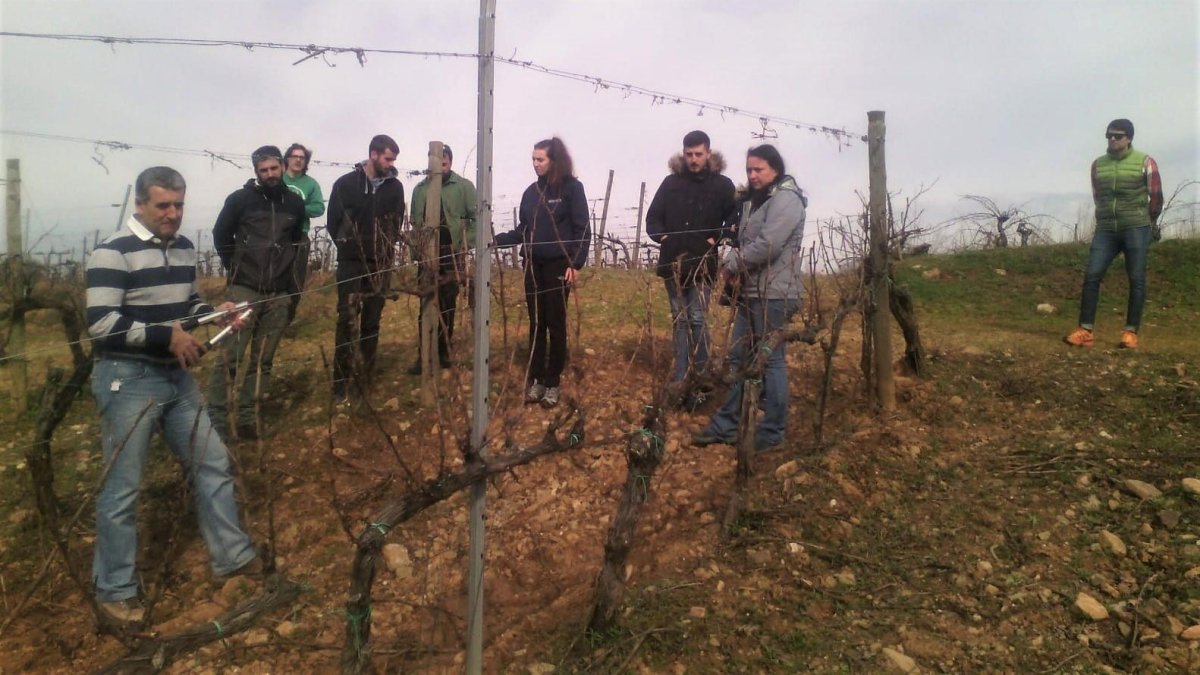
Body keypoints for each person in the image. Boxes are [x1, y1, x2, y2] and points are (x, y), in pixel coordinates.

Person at [86, 166, 260, 624]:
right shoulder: (112, 253)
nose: (173, 214)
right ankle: (114, 591)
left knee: (213, 461)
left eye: (179, 205)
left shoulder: (183, 248)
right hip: (128, 379)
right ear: (140, 204)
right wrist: (168, 337)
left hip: (175, 378)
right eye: (163, 205)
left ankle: (233, 558)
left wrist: (215, 313)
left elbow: (188, 306)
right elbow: (101, 323)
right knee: (123, 489)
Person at [693, 144, 806, 452]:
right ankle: (726, 425)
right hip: (751, 291)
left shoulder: (786, 200)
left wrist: (731, 263)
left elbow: (769, 244)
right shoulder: (754, 201)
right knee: (739, 358)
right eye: (749, 170)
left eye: (759, 169)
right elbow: (745, 239)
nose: (753, 175)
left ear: (775, 169)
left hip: (775, 294)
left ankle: (771, 431)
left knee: (770, 362)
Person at [209, 145, 307, 440]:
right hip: (244, 290)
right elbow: (220, 236)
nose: (269, 174)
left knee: (263, 360)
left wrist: (291, 291)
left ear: (282, 166)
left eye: (274, 169)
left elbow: (296, 245)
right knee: (231, 356)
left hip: (278, 292)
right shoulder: (240, 200)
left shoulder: (294, 203)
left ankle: (248, 417)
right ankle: (216, 421)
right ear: (256, 172)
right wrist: (236, 268)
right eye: (263, 170)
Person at [494, 137, 590, 408]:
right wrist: (496, 239)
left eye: (540, 159)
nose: (535, 164)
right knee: (537, 323)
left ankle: (553, 381)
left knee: (556, 323)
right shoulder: (531, 193)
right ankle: (536, 379)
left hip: (559, 265)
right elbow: (524, 229)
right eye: (533, 159)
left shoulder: (572, 189)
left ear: (554, 160)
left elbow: (583, 229)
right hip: (532, 266)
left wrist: (576, 263)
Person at [646, 130, 736, 407]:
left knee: (697, 317)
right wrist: (664, 238)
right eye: (689, 154)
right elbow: (653, 218)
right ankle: (680, 374)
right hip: (673, 261)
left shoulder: (722, 185)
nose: (693, 159)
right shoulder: (671, 183)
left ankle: (702, 375)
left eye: (698, 154)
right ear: (683, 154)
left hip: (703, 262)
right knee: (679, 318)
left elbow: (734, 218)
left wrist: (716, 238)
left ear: (708, 153)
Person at [1064, 118, 1163, 350]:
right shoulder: (1098, 165)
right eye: (1109, 135)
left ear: (1129, 138)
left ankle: (1130, 334)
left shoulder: (1145, 162)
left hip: (1136, 227)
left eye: (1117, 136)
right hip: (1106, 229)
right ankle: (1085, 331)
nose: (1112, 139)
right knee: (1092, 275)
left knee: (1136, 279)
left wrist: (1148, 221)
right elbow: (1098, 196)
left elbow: (1156, 196)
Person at [327, 134, 405, 400]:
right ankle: (341, 382)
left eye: (394, 159)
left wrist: (384, 251)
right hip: (350, 264)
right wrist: (348, 248)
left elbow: (396, 224)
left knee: (371, 322)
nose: (391, 163)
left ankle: (364, 379)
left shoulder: (395, 188)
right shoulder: (345, 184)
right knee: (347, 321)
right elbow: (333, 222)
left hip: (380, 265)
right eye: (388, 158)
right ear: (373, 155)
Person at [408, 143, 478, 373]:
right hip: (427, 255)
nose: (441, 164)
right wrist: (417, 251)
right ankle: (424, 355)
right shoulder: (419, 189)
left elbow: (478, 219)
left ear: (451, 162)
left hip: (451, 252)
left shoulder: (464, 187)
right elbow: (415, 224)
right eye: (437, 160)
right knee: (426, 302)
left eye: (445, 160)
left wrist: (462, 244)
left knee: (447, 303)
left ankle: (444, 353)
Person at [282, 142, 326, 325]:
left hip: (300, 235)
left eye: (302, 157)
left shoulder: (310, 184)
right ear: (287, 159)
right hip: (275, 235)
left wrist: (298, 209)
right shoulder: (278, 179)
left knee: (296, 280)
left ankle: (287, 319)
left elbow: (318, 208)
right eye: (295, 156)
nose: (299, 160)